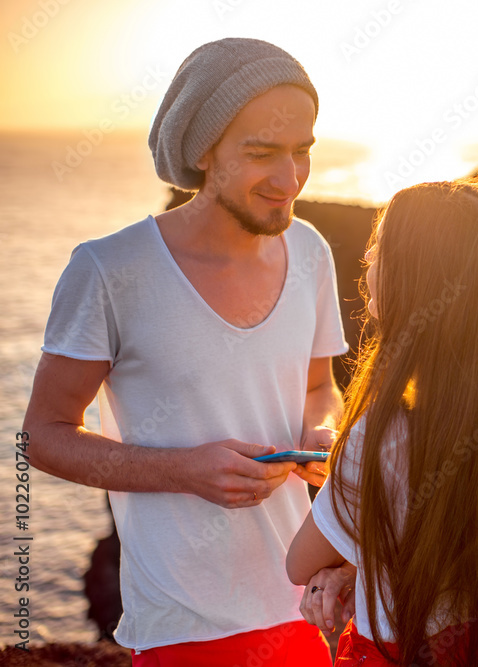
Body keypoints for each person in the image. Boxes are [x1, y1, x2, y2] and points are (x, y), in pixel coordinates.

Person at [23, 38, 348, 666]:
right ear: (202, 152)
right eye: (262, 154)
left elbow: (318, 386)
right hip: (182, 630)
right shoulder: (109, 270)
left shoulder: (312, 254)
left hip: (299, 610)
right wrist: (184, 471)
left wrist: (320, 431)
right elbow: (40, 436)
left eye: (303, 151)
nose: (290, 180)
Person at [286, 179, 478, 666]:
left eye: (383, 248)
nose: (368, 260)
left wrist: (351, 478)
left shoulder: (381, 434)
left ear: (422, 284)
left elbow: (299, 564)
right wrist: (360, 560)